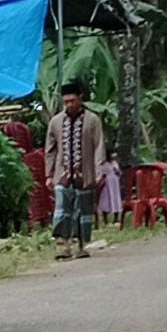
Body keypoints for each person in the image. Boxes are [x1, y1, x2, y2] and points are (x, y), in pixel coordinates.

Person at [44, 82, 107, 260]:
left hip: (85, 174)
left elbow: (99, 146)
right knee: (62, 211)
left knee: (83, 210)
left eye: (72, 101)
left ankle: (81, 246)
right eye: (66, 102)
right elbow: (50, 149)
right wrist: (48, 174)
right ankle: (63, 246)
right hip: (61, 175)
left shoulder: (93, 120)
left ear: (80, 98)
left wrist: (98, 171)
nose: (69, 105)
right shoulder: (56, 122)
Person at [96, 148, 123, 229]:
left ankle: (116, 219)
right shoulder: (103, 164)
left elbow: (119, 172)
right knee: (106, 201)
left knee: (116, 200)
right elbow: (101, 174)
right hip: (107, 185)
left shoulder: (114, 163)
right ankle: (106, 220)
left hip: (115, 185)